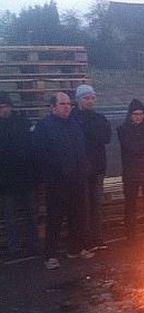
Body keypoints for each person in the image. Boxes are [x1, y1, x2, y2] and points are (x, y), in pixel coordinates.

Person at [32, 92, 94, 269]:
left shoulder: (74, 125)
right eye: (62, 104)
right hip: (57, 182)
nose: (67, 107)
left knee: (78, 216)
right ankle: (50, 255)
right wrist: (53, 173)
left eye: (69, 104)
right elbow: (40, 155)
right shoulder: (44, 127)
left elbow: (82, 149)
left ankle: (75, 249)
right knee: (55, 219)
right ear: (53, 107)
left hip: (77, 179)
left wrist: (84, 168)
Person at [71, 84, 112, 251]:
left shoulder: (98, 118)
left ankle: (98, 238)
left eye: (92, 98)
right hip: (80, 169)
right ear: (79, 100)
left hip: (97, 168)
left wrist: (89, 133)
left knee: (96, 206)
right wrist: (92, 134)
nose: (90, 101)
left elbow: (106, 137)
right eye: (86, 98)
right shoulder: (72, 118)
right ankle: (86, 241)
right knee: (83, 207)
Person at [0, 91, 39, 259]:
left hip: (25, 178)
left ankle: (34, 244)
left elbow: (34, 148)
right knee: (10, 218)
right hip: (5, 181)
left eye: (4, 106)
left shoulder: (23, 122)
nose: (2, 110)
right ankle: (14, 247)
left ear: (10, 106)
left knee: (30, 214)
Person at [117, 99, 144, 241]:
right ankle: (130, 234)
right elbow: (131, 148)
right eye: (136, 114)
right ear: (130, 115)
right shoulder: (123, 129)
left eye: (141, 114)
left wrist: (143, 147)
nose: (138, 116)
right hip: (131, 173)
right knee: (130, 204)